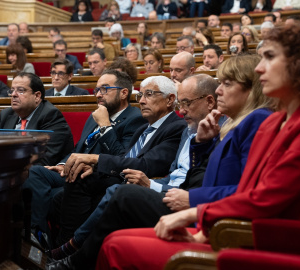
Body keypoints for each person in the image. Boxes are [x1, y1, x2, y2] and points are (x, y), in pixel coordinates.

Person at [96, 22, 300, 270]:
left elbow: (267, 198)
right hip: (232, 226)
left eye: (269, 57)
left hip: (265, 239)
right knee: (114, 239)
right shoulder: (276, 121)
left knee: (115, 246)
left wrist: (195, 212)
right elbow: (245, 188)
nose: (259, 68)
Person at [47, 73, 218, 261]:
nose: (142, 101)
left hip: (167, 191)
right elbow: (169, 170)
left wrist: (99, 155)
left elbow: (150, 166)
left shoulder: (179, 127)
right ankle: (57, 246)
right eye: (140, 96)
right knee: (68, 184)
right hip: (144, 181)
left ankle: (70, 251)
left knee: (117, 191)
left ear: (170, 100)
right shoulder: (170, 130)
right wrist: (96, 167)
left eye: (149, 94)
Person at [22, 69, 146, 247]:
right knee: (34, 173)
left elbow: (121, 157)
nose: (98, 94)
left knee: (50, 196)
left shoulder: (135, 119)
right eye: (96, 90)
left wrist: (105, 126)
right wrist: (63, 164)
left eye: (104, 89)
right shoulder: (95, 115)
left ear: (124, 93)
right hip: (71, 170)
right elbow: (79, 148)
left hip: (93, 176)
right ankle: (39, 235)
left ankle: (53, 246)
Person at [0, 72, 74, 166]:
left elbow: (45, 159)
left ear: (37, 96)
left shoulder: (51, 116)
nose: (13, 94)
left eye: (20, 90)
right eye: (12, 90)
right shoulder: (6, 115)